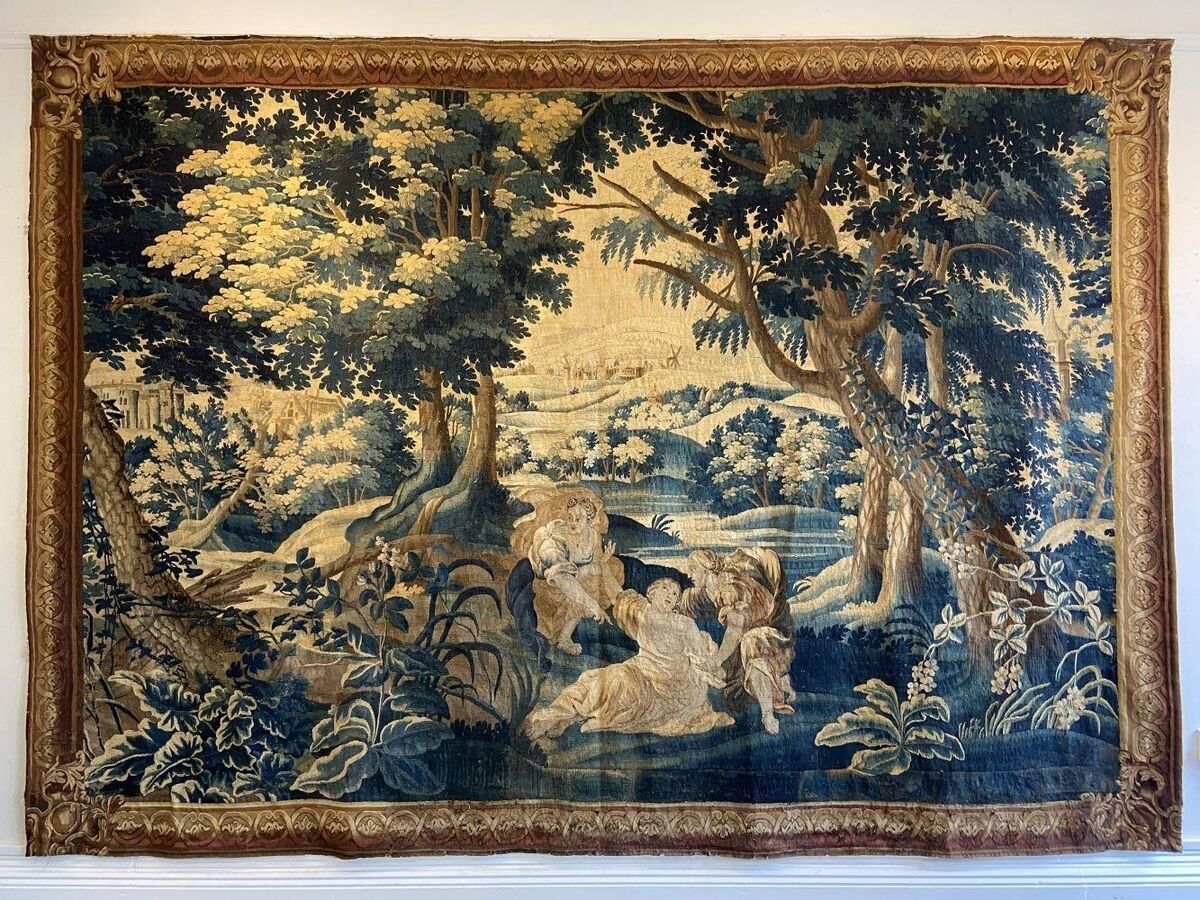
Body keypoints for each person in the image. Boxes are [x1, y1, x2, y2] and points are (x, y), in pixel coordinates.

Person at [524, 578, 733, 739]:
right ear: (651, 592)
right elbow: (618, 595)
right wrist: (602, 563)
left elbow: (701, 657)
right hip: (641, 669)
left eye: (675, 594)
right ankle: (556, 715)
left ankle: (569, 717)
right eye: (665, 589)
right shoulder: (640, 611)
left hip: (671, 687)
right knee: (603, 680)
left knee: (625, 697)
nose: (671, 595)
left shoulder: (684, 624)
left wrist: (714, 670)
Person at [683, 547, 797, 734]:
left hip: (771, 634)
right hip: (751, 636)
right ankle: (781, 682)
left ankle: (767, 714)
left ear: (707, 568)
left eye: (693, 569)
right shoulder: (708, 590)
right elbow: (688, 604)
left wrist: (715, 661)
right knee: (733, 698)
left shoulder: (729, 587)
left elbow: (735, 630)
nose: (689, 575)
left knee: (751, 645)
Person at [525, 495, 622, 654]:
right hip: (552, 577)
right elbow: (562, 577)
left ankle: (623, 612)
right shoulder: (555, 538)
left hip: (576, 575)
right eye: (570, 517)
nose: (573, 522)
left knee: (608, 572)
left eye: (578, 519)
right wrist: (592, 604)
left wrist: (602, 561)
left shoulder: (593, 536)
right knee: (578, 591)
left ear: (588, 520)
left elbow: (595, 564)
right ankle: (564, 638)